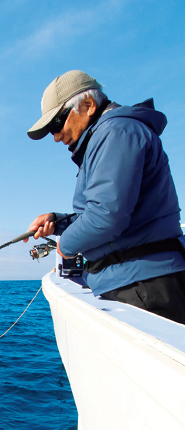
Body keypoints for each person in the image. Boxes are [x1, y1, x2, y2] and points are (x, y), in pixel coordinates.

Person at [25, 69, 185, 324]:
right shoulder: (108, 135)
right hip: (135, 283)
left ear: (88, 105)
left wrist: (65, 246)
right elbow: (105, 211)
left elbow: (106, 216)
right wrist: (60, 222)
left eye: (57, 124)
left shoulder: (116, 132)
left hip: (145, 286)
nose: (56, 137)